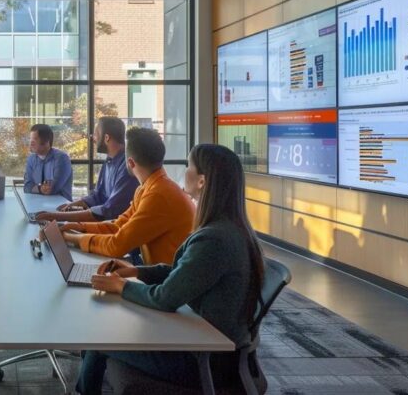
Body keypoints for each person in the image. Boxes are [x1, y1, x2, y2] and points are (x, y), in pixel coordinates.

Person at [77, 144, 266, 393]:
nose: (184, 171)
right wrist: (137, 272)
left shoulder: (215, 239)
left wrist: (120, 286)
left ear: (202, 181)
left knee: (98, 337)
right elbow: (185, 274)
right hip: (205, 341)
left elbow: (165, 298)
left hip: (205, 361)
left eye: (188, 166)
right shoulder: (228, 228)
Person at [49, 127, 194, 266]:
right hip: (152, 269)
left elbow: (116, 246)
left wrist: (68, 238)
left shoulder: (158, 195)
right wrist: (79, 227)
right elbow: (119, 226)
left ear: (130, 163)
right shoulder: (148, 188)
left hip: (165, 278)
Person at [35, 117, 138, 223]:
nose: (93, 138)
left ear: (106, 138)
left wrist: (57, 217)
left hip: (115, 227)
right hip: (104, 224)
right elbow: (98, 195)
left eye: (96, 134)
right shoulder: (109, 161)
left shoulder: (127, 167)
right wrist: (73, 204)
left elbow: (110, 210)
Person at [23, 123, 73, 200]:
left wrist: (36, 188)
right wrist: (40, 189)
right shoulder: (31, 159)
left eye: (35, 139)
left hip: (61, 204)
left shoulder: (61, 158)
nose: (31, 143)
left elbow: (53, 189)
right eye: (30, 139)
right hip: (38, 203)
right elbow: (27, 187)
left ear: (46, 141)